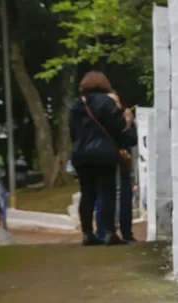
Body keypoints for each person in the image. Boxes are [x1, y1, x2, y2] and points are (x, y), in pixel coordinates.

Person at [69, 70, 137, 246]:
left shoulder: (76, 104)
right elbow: (118, 126)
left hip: (81, 154)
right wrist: (127, 120)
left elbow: (72, 131)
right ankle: (108, 232)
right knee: (107, 192)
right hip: (103, 153)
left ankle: (87, 233)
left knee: (87, 193)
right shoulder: (106, 101)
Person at [95, 91, 136, 242]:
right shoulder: (99, 120)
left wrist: (128, 124)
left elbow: (132, 139)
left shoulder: (125, 118)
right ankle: (104, 232)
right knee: (104, 197)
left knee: (125, 197)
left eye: (116, 102)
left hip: (122, 164)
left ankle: (126, 233)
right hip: (105, 163)